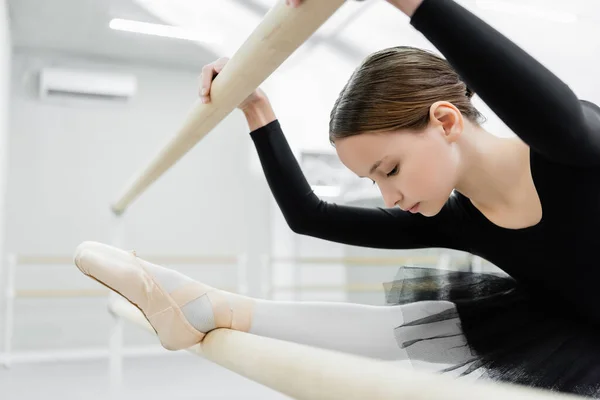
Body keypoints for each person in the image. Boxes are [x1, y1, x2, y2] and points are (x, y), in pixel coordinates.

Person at [74, 0, 600, 396]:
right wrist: (256, 109)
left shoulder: (572, 147)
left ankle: (208, 308)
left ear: (445, 120)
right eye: (375, 182)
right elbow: (309, 216)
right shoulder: (454, 219)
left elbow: (559, 119)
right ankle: (210, 308)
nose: (390, 197)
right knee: (418, 326)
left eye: (389, 170)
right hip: (578, 328)